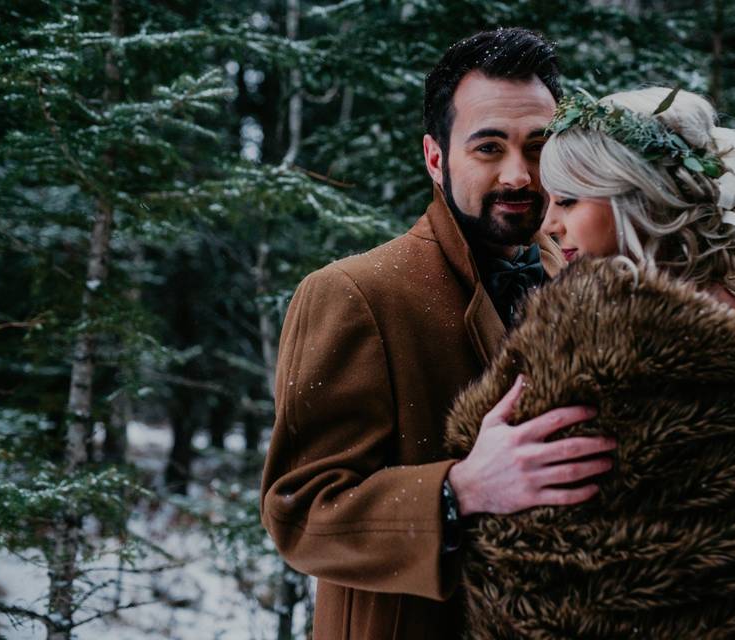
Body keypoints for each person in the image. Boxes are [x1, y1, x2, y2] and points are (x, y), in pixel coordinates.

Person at [444, 88, 735, 639]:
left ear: (637, 198)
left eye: (570, 202)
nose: (548, 224)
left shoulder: (593, 335)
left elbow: (530, 554)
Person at [259, 29, 616, 640]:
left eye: (537, 147)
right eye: (487, 147)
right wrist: (459, 491)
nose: (518, 175)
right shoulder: (355, 294)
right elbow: (299, 512)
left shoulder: (584, 277)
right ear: (434, 157)